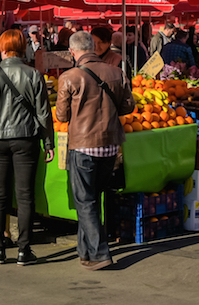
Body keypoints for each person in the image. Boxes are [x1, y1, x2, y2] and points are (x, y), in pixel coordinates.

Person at [56, 31, 136, 271]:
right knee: (92, 199)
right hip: (110, 145)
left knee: (85, 200)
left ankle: (100, 253)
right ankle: (86, 251)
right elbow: (128, 105)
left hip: (83, 145)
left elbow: (60, 115)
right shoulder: (116, 72)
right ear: (93, 47)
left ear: (72, 51)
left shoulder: (69, 77)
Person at [0, 29, 54, 266]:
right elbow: (43, 113)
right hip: (25, 138)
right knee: (25, 195)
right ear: (22, 48)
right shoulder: (33, 75)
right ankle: (24, 249)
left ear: (2, 48)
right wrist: (48, 141)